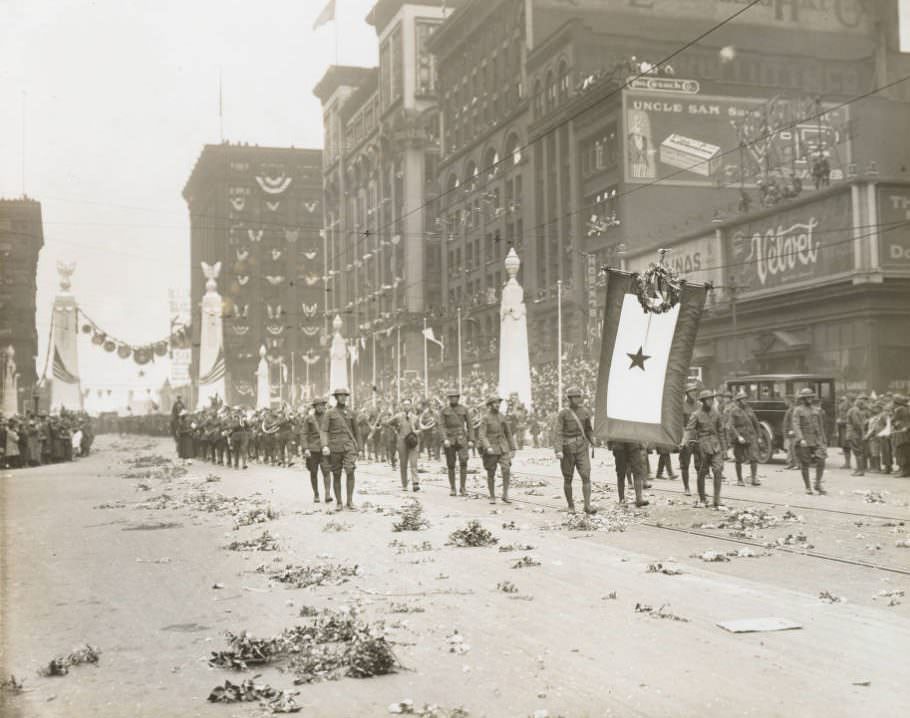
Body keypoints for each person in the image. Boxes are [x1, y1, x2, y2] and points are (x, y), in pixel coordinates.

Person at [553, 386, 597, 514]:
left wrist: (592, 439)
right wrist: (558, 450)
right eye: (574, 397)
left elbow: (588, 429)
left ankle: (587, 506)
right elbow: (558, 432)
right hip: (567, 449)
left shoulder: (585, 412)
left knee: (586, 475)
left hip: (582, 448)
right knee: (568, 478)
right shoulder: (563, 413)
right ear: (569, 398)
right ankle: (571, 506)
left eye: (579, 396)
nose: (577, 399)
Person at [685, 390, 726, 509]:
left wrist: (724, 448)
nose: (711, 401)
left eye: (712, 399)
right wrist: (685, 441)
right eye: (708, 399)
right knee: (702, 472)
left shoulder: (717, 414)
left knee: (718, 470)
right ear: (703, 401)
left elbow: (721, 431)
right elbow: (689, 429)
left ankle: (717, 499)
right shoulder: (696, 414)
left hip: (715, 445)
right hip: (702, 446)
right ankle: (702, 499)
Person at [322, 387, 360, 510]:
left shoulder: (351, 412)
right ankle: (339, 502)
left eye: (345, 395)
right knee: (336, 474)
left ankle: (350, 501)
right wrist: (325, 445)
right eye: (340, 395)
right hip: (335, 447)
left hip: (349, 446)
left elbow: (356, 431)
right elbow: (324, 431)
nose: (343, 397)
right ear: (336, 397)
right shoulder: (329, 413)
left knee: (350, 470)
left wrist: (358, 447)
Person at [477, 394, 516, 504]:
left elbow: (508, 433)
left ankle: (505, 494)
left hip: (503, 447)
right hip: (491, 448)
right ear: (490, 405)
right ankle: (492, 496)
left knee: (506, 469)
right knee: (491, 472)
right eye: (495, 403)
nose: (497, 405)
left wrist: (513, 448)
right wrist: (487, 446)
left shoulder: (502, 417)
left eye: (499, 403)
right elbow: (482, 435)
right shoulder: (485, 418)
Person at [792, 387, 827, 494]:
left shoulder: (816, 410)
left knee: (821, 460)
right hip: (804, 440)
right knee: (805, 464)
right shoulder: (798, 410)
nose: (810, 399)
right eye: (807, 398)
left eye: (811, 397)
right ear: (802, 399)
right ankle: (808, 487)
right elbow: (796, 424)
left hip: (816, 440)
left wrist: (823, 439)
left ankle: (817, 483)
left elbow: (820, 426)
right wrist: (801, 439)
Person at [440, 387, 473, 496]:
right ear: (449, 399)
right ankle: (453, 488)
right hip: (449, 439)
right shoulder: (444, 411)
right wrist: (444, 439)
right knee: (451, 464)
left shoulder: (464, 409)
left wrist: (471, 440)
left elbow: (470, 425)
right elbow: (442, 426)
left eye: (455, 397)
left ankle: (463, 488)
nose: (453, 399)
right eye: (451, 397)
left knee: (464, 462)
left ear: (458, 398)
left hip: (461, 438)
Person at [727, 390, 762, 486]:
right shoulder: (734, 411)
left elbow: (756, 423)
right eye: (743, 399)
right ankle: (739, 480)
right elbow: (731, 425)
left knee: (754, 458)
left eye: (745, 399)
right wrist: (738, 436)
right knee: (739, 459)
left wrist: (759, 436)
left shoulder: (749, 410)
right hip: (740, 439)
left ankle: (754, 479)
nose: (745, 401)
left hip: (750, 437)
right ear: (738, 401)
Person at [301, 397, 330, 502]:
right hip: (312, 450)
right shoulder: (309, 418)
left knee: (326, 471)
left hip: (325, 448)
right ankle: (316, 494)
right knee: (313, 472)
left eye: (322, 405)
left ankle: (327, 494)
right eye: (318, 405)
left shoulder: (328, 417)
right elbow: (304, 434)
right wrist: (305, 449)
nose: (320, 407)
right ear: (315, 407)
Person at [394, 398, 421, 492]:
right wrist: (396, 428)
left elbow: (420, 429)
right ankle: (404, 484)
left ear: (411, 405)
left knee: (413, 463)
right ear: (402, 406)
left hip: (412, 441)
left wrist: (416, 432)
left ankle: (415, 483)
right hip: (402, 442)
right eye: (404, 404)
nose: (406, 406)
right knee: (403, 464)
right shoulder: (398, 417)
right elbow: (387, 423)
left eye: (408, 404)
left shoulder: (416, 417)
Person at [678, 384, 700, 495]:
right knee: (685, 464)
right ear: (687, 393)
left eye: (695, 392)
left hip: (698, 438)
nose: (694, 394)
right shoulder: (682, 407)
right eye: (691, 392)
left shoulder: (699, 405)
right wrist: (683, 440)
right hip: (687, 437)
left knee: (700, 465)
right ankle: (686, 488)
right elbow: (681, 425)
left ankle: (701, 489)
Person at [846, 394, 868, 477]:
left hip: (854, 434)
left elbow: (856, 423)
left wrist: (860, 433)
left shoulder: (853, 410)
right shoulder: (857, 410)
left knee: (857, 452)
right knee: (858, 452)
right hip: (856, 433)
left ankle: (860, 470)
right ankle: (859, 469)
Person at [891, 394, 910, 477]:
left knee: (901, 452)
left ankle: (903, 471)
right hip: (906, 433)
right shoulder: (907, 408)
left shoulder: (899, 409)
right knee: (906, 452)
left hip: (901, 433)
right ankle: (906, 471)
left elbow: (893, 420)